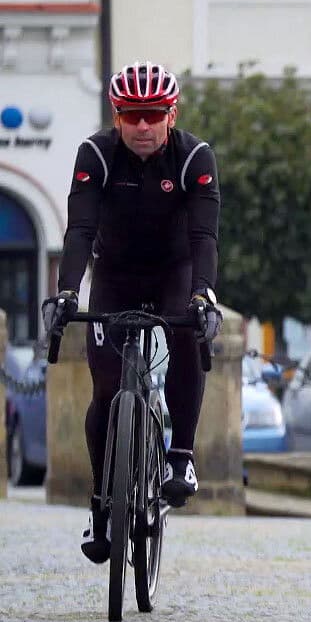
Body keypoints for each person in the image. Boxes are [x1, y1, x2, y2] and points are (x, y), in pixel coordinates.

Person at [42, 61, 223, 564]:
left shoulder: (194, 158)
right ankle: (102, 504)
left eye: (153, 115)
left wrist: (203, 295)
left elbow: (204, 236)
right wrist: (66, 293)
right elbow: (78, 232)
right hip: (116, 274)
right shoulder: (95, 155)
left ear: (171, 114)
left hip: (174, 271)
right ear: (117, 116)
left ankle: (180, 456)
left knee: (187, 333)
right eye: (132, 116)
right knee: (104, 390)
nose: (142, 126)